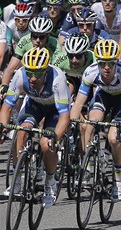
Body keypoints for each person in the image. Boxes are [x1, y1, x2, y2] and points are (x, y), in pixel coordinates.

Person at [0, 48, 70, 207]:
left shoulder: (57, 79)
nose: (32, 77)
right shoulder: (20, 75)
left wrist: (55, 138)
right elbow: (6, 107)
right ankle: (17, 179)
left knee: (47, 144)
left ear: (45, 71)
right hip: (34, 105)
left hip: (54, 111)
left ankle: (50, 181)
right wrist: (3, 128)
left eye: (37, 73)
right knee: (21, 132)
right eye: (30, 72)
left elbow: (65, 116)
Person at [71, 39, 121, 202]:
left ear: (116, 62)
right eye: (103, 64)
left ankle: (119, 179)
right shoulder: (90, 72)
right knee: (90, 123)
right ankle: (89, 166)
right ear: (98, 63)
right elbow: (78, 104)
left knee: (114, 138)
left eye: (111, 64)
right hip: (103, 97)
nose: (106, 68)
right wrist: (77, 123)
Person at [1, 16, 61, 95]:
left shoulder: (54, 43)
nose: (38, 40)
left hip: (45, 75)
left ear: (48, 36)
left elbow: (57, 71)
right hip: (28, 74)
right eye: (35, 36)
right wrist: (4, 86)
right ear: (31, 35)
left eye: (42, 37)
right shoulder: (24, 41)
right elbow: (10, 68)